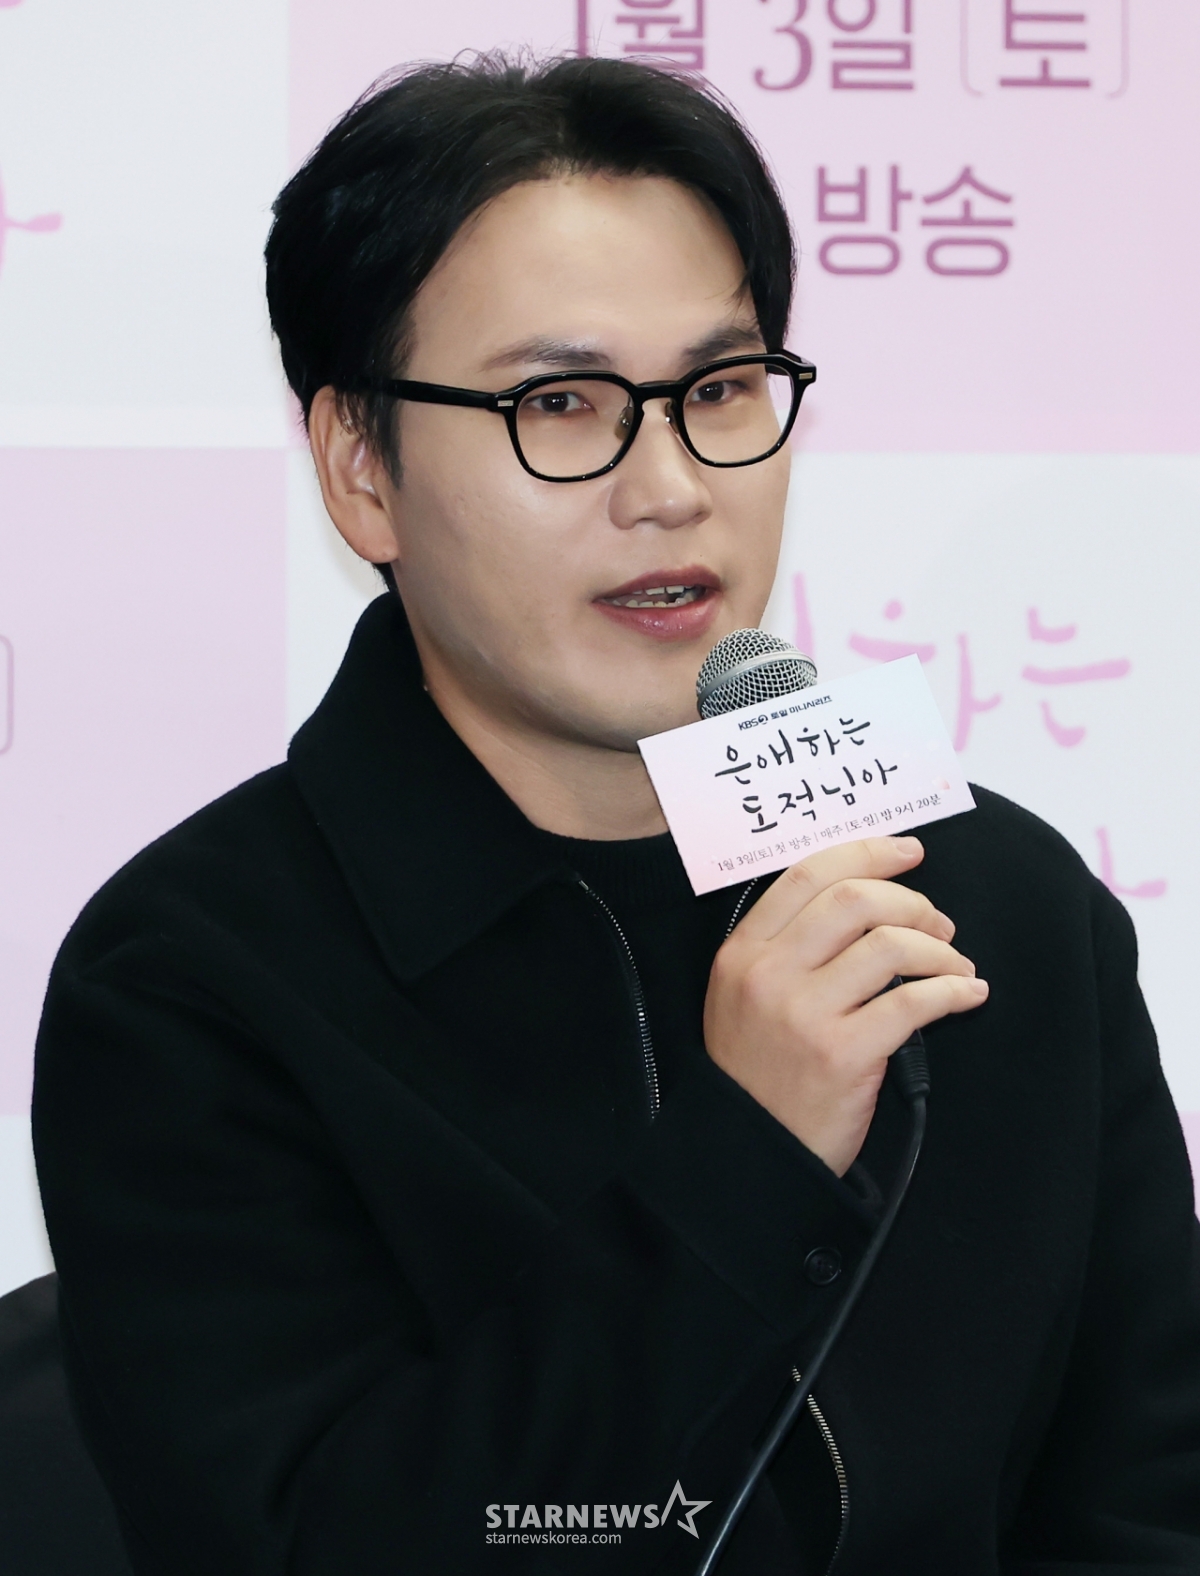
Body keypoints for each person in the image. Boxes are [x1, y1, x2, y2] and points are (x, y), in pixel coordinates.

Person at [31, 53, 1200, 1576]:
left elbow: (1147, 1505)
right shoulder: (190, 983)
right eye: (561, 404)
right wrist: (747, 1157)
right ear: (361, 468)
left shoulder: (992, 898)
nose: (670, 489)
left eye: (718, 392)